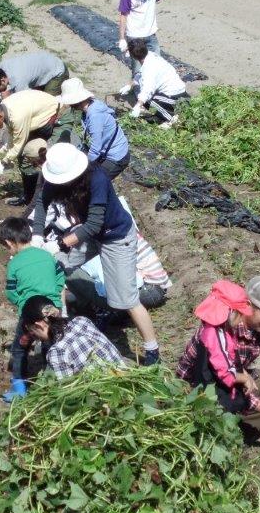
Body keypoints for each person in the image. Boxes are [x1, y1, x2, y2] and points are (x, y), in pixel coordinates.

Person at [30, 143, 162, 365]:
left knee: (127, 298)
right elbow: (42, 204)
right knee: (57, 267)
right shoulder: (56, 180)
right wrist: (36, 236)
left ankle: (152, 351)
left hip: (115, 236)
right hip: (89, 234)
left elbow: (94, 224)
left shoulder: (97, 179)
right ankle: (61, 329)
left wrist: (60, 244)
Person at [176, 280, 260, 428]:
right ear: (249, 306)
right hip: (199, 388)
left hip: (231, 378)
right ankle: (232, 427)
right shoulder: (220, 330)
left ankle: (240, 422)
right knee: (231, 407)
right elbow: (220, 382)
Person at [0, 217, 66, 402]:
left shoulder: (14, 263)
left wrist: (21, 302)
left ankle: (19, 387)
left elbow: (11, 292)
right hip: (52, 310)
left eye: (7, 248)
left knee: (20, 348)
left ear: (9, 243)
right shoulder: (46, 255)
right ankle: (51, 380)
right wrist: (55, 299)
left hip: (30, 315)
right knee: (50, 343)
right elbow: (60, 278)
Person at [0, 90, 63, 205]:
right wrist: (7, 147)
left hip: (53, 116)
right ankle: (30, 196)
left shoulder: (16, 116)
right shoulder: (4, 107)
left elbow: (19, 144)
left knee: (38, 155)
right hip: (38, 116)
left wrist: (3, 162)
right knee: (23, 158)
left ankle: (45, 196)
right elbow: (13, 132)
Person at [20, 295, 124, 379]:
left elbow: (66, 391)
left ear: (39, 325)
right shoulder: (81, 320)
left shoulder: (57, 351)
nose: (35, 337)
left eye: (32, 331)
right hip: (125, 375)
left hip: (104, 393)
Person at [67, 230, 170, 313]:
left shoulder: (108, 244)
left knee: (71, 274)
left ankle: (93, 311)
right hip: (158, 286)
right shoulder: (121, 230)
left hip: (147, 290)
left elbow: (117, 283)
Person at [58, 78, 130, 179]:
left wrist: (83, 167)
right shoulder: (91, 105)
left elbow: (96, 148)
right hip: (106, 151)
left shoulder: (94, 116)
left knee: (92, 182)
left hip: (116, 157)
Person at [0, 51, 70, 115]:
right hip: (40, 66)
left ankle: (66, 109)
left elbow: (25, 102)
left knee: (46, 104)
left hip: (56, 70)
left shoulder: (18, 80)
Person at [117, 0, 164, 92]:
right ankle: (139, 96)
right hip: (135, 36)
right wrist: (122, 38)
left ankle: (155, 93)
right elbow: (123, 15)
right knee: (138, 69)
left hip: (151, 34)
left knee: (157, 64)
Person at [127, 39, 188, 127]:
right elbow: (140, 74)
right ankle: (165, 113)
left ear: (133, 56)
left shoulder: (148, 69)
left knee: (146, 99)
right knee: (144, 94)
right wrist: (130, 85)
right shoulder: (151, 56)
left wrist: (138, 106)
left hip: (174, 96)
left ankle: (171, 118)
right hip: (180, 91)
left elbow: (147, 90)